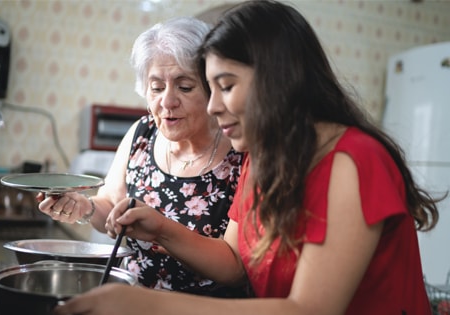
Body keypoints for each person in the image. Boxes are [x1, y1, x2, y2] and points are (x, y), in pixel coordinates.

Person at [52, 1, 443, 315]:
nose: (213, 106)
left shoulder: (354, 161)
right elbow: (236, 262)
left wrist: (148, 305)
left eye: (225, 86)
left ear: (277, 79)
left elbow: (311, 308)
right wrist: (159, 229)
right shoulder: (265, 156)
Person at [37, 16, 248, 297]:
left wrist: (162, 229)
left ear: (211, 87)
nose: (167, 101)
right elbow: (112, 206)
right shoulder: (142, 133)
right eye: (157, 87)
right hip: (133, 300)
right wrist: (84, 207)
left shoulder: (240, 149)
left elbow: (234, 267)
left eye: (184, 87)